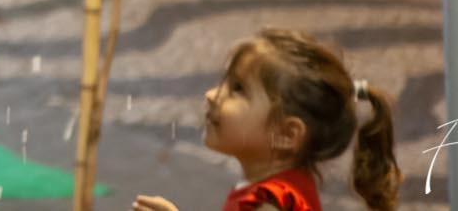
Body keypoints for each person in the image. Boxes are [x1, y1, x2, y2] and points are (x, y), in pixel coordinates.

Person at [131, 27, 400, 211]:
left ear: (286, 134)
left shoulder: (272, 202)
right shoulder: (283, 187)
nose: (212, 95)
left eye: (238, 89)